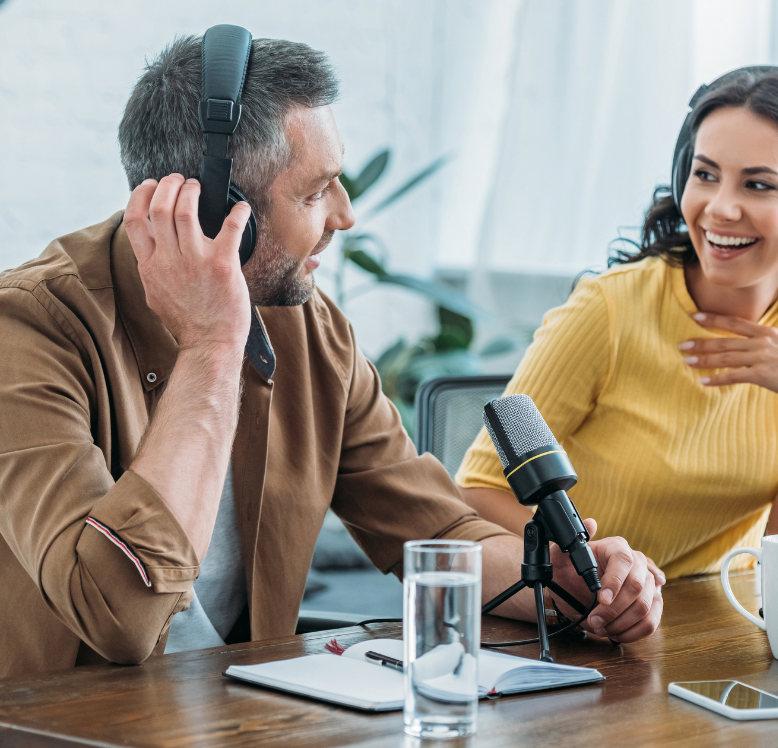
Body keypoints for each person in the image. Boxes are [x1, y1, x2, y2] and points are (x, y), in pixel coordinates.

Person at [0, 33, 662, 680]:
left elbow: (436, 527)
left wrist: (560, 581)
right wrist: (211, 345)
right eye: (315, 193)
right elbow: (117, 615)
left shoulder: (312, 334)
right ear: (215, 213)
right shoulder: (29, 329)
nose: (345, 215)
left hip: (245, 724)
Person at [457, 68, 778, 581]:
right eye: (705, 175)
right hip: (592, 613)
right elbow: (477, 493)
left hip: (720, 623)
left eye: (757, 184)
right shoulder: (609, 310)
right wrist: (599, 565)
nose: (720, 208)